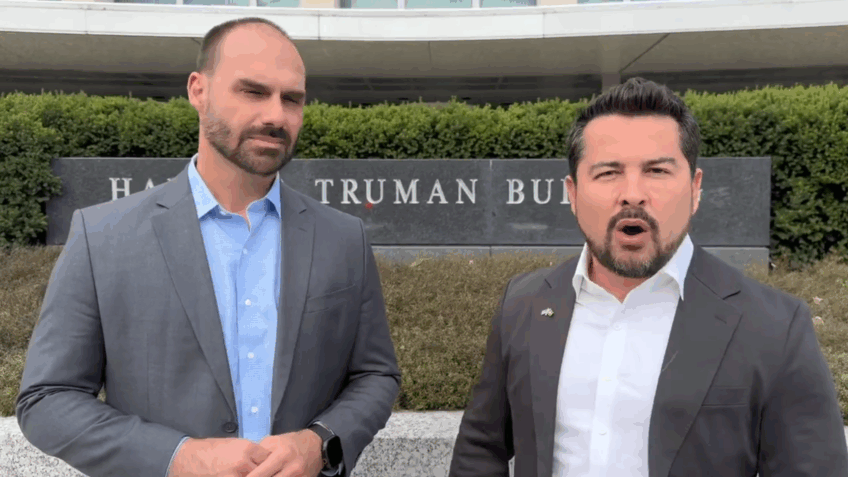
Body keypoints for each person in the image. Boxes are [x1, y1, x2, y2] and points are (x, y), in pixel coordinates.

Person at [16, 17, 400, 477]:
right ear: (198, 91)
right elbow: (47, 399)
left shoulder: (343, 237)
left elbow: (376, 376)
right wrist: (177, 456)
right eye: (253, 91)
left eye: (292, 99)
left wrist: (320, 441)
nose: (276, 116)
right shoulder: (102, 237)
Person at [448, 77, 848, 476]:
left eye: (657, 171)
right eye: (608, 172)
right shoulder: (524, 304)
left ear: (695, 188)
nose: (633, 193)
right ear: (573, 193)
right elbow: (480, 447)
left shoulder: (774, 325)